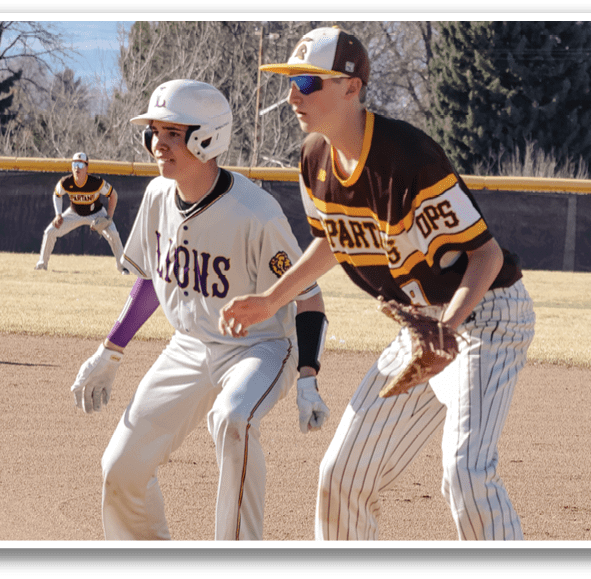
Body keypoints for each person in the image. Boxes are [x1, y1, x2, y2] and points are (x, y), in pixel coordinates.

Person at [220, 26, 536, 541]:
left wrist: (447, 329)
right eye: (290, 83)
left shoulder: (408, 156)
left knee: (465, 473)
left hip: (482, 319)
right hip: (420, 327)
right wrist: (272, 298)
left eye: (307, 82)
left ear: (351, 87)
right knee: (341, 477)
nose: (293, 95)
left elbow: (486, 255)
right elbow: (332, 240)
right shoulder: (313, 158)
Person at [66, 79, 330, 541]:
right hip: (189, 346)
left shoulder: (255, 213)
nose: (157, 145)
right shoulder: (155, 198)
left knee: (232, 418)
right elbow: (151, 277)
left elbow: (308, 294)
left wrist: (308, 373)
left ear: (207, 137)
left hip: (261, 345)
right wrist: (111, 352)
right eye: (153, 132)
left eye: (172, 133)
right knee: (121, 467)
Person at [36, 152, 125, 272]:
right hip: (74, 213)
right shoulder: (66, 182)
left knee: (113, 234)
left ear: (87, 168)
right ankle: (42, 265)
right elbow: (57, 195)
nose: (77, 168)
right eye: (75, 164)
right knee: (49, 232)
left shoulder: (96, 182)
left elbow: (113, 194)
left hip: (96, 213)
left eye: (81, 165)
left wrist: (109, 217)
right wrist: (58, 214)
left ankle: (123, 267)